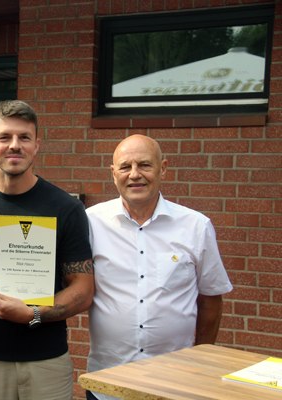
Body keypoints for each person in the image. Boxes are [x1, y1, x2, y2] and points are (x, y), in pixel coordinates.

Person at [0, 100, 95, 400]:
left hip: (46, 360)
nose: (14, 145)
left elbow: (82, 290)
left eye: (24, 137)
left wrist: (33, 314)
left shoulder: (65, 208)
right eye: (4, 137)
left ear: (36, 145)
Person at [85, 134, 233, 400]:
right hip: (108, 382)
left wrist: (200, 360)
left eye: (144, 165)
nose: (134, 174)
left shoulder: (196, 226)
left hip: (176, 383)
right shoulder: (90, 222)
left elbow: (211, 299)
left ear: (163, 168)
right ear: (113, 173)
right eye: (125, 167)